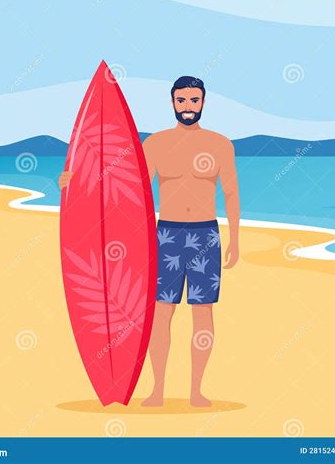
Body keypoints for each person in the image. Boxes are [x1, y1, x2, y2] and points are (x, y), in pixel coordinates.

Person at [58, 75, 240, 407]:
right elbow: (128, 193)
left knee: (203, 313)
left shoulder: (219, 145)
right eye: (182, 101)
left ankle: (196, 390)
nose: (188, 107)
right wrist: (75, 184)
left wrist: (235, 239)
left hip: (205, 235)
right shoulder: (155, 144)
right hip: (166, 235)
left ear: (203, 102)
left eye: (194, 100)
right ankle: (158, 388)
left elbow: (231, 193)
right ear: (172, 102)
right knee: (161, 312)